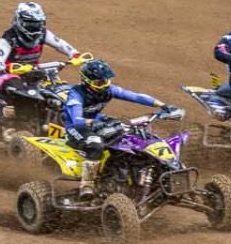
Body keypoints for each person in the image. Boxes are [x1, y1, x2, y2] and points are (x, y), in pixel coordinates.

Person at [60, 59, 179, 197]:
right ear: (86, 81)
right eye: (99, 82)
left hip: (98, 121)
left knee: (132, 134)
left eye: (106, 81)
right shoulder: (76, 94)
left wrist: (163, 105)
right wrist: (94, 122)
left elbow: (135, 96)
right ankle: (87, 185)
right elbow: (77, 120)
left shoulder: (108, 90)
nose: (104, 85)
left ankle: (130, 174)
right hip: (76, 128)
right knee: (96, 144)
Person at [0, 1, 83, 97]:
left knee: (55, 86)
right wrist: (8, 67)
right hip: (8, 76)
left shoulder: (43, 34)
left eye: (37, 24)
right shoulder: (9, 37)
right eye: (30, 24)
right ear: (19, 21)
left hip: (34, 72)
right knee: (22, 94)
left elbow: (60, 44)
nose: (34, 28)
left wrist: (74, 54)